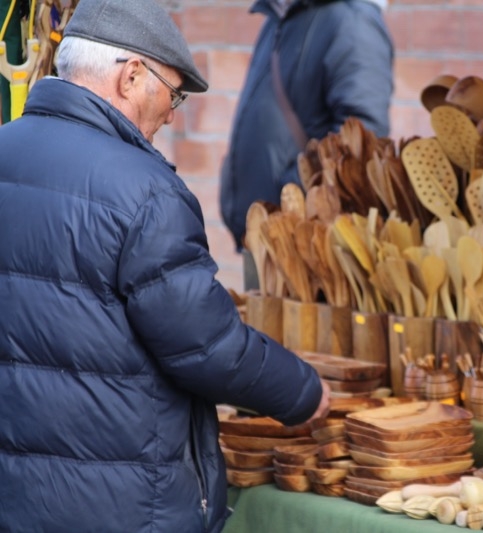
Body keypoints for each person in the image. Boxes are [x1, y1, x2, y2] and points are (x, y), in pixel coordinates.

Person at [0, 1, 329, 532]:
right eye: (173, 92)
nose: (173, 112)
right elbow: (209, 348)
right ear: (131, 76)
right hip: (121, 507)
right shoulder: (146, 190)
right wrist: (304, 391)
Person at [219, 0, 394, 276]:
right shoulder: (283, 16)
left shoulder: (352, 22)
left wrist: (292, 195)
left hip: (306, 247)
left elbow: (361, 139)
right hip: (269, 236)